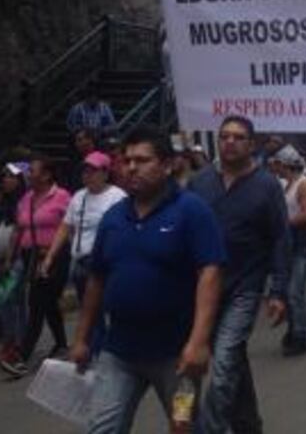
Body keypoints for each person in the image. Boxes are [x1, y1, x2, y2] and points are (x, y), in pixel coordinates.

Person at [70, 125, 225, 433]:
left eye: (142, 160)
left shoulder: (191, 212)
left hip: (178, 357)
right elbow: (96, 279)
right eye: (127, 161)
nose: (131, 168)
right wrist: (81, 338)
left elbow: (211, 273)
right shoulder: (114, 218)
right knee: (102, 428)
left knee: (184, 426)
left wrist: (198, 342)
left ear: (167, 165)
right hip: (119, 352)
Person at [189, 116, 290, 434]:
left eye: (238, 137)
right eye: (224, 136)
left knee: (221, 371)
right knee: (230, 363)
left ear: (251, 144)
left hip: (244, 289)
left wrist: (278, 291)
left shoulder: (267, 185)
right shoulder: (200, 182)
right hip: (201, 290)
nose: (230, 142)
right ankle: (249, 425)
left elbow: (280, 239)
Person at [42, 151, 126, 357]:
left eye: (93, 171)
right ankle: (95, 351)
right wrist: (51, 255)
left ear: (105, 173)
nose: (87, 175)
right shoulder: (79, 197)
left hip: (104, 263)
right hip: (80, 261)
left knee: (106, 310)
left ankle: (107, 352)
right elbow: (65, 227)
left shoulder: (117, 197)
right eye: (85, 171)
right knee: (88, 312)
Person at [0, 156, 71, 377]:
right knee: (47, 303)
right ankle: (60, 344)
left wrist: (53, 252)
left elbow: (70, 226)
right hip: (29, 257)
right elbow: (18, 230)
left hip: (54, 255)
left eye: (33, 170)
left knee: (37, 303)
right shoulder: (27, 198)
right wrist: (9, 257)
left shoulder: (62, 197)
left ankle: (22, 356)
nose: (29, 174)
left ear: (47, 175)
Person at [0, 161, 28, 369]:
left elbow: (18, 233)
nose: (7, 180)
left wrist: (9, 258)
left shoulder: (24, 203)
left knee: (13, 302)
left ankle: (18, 344)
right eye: (5, 176)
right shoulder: (1, 202)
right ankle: (9, 341)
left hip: (15, 260)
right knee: (3, 302)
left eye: (12, 177)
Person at [275, 146, 306, 356]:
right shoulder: (286, 185)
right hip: (289, 245)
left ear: (286, 164)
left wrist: (284, 225)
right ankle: (293, 329)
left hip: (301, 245)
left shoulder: (304, 184)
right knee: (288, 292)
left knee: (294, 292)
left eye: (278, 164)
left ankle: (300, 335)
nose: (276, 168)